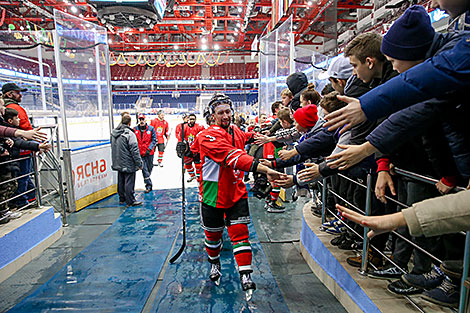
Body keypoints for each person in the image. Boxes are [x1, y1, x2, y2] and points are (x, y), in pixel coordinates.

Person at [323, 0, 470, 134]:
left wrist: (366, 108)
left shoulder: (454, 54)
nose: (432, 5)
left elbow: (421, 98)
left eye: (393, 61)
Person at [194, 93, 283, 297]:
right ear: (212, 116)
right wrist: (264, 169)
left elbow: (246, 138)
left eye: (228, 111)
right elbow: (232, 156)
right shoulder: (207, 136)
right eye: (220, 112)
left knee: (241, 233)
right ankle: (214, 264)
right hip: (211, 195)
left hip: (236, 192)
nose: (225, 115)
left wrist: (266, 134)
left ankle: (246, 274)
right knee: (213, 237)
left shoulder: (235, 130)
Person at [2, 83, 36, 208]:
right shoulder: (13, 108)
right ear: (9, 94)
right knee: (23, 176)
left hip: (16, 149)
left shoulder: (8, 107)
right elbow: (26, 127)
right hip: (21, 150)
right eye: (17, 92)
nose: (20, 94)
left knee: (22, 177)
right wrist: (35, 144)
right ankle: (22, 202)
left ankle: (26, 200)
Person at [111, 114, 143, 207]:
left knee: (121, 180)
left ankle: (122, 199)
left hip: (117, 161)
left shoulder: (114, 133)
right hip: (128, 162)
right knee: (129, 182)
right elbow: (134, 150)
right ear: (130, 122)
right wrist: (139, 163)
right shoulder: (129, 134)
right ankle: (130, 201)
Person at [175, 113, 205, 182]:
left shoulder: (199, 127)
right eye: (190, 119)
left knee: (198, 164)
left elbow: (203, 137)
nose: (191, 120)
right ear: (188, 119)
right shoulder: (184, 127)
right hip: (187, 150)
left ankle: (198, 176)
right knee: (188, 165)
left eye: (193, 119)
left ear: (195, 120)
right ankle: (192, 176)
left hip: (197, 149)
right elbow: (180, 138)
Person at [134, 113, 157, 193]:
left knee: (149, 168)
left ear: (145, 120)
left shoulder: (151, 129)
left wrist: (149, 149)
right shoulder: (135, 129)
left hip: (149, 153)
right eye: (140, 119)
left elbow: (154, 140)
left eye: (143, 119)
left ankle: (147, 179)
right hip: (140, 154)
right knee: (144, 170)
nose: (141, 121)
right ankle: (148, 185)